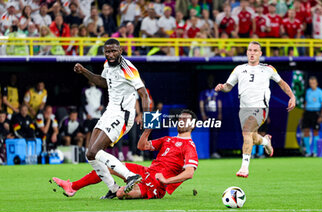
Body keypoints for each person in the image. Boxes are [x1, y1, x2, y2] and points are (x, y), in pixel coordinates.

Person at [52, 109, 198, 199]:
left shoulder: (190, 147)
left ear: (193, 125)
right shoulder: (168, 139)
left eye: (186, 120)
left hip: (156, 185)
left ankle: (117, 191)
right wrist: (147, 131)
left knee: (122, 193)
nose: (182, 121)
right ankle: (72, 187)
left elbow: (189, 173)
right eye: (180, 119)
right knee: (108, 167)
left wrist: (166, 182)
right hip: (146, 172)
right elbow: (142, 146)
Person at [72, 38, 150, 196]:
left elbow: (144, 94)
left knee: (96, 150)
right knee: (90, 154)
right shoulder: (107, 65)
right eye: (108, 51)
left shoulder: (128, 68)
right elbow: (102, 82)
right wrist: (84, 71)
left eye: (114, 51)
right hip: (110, 112)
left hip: (123, 115)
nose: (111, 54)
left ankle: (130, 176)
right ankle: (113, 189)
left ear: (120, 51)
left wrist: (146, 119)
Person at [215, 41, 296, 178]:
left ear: (260, 54)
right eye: (250, 50)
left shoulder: (268, 69)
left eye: (255, 51)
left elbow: (281, 83)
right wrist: (222, 87)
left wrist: (292, 96)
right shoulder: (239, 69)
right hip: (244, 109)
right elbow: (229, 86)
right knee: (252, 137)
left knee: (247, 131)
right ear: (246, 52)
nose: (252, 53)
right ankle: (265, 141)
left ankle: (244, 167)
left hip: (260, 108)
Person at [301, 76, 322, 157]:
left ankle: (315, 152)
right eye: (310, 83)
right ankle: (308, 152)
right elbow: (305, 103)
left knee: (315, 132)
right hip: (308, 113)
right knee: (306, 131)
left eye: (313, 83)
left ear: (317, 83)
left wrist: (321, 116)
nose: (312, 84)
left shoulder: (320, 92)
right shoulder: (308, 91)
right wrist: (303, 114)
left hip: (316, 113)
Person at [199, 75, 222, 158]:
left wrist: (220, 113)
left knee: (215, 134)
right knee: (206, 135)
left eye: (212, 81)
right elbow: (201, 104)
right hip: (207, 116)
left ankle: (214, 152)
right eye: (209, 81)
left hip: (215, 116)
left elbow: (219, 103)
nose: (210, 83)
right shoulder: (204, 93)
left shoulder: (216, 92)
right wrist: (203, 114)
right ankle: (206, 152)